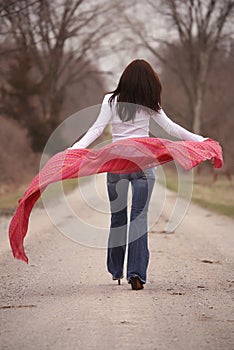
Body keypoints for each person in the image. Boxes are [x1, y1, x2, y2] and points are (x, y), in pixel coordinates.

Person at [70, 59, 206, 290]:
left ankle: (116, 270)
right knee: (139, 218)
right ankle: (136, 274)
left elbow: (97, 129)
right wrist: (199, 140)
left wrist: (75, 149)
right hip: (143, 165)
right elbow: (172, 128)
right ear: (148, 82)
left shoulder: (110, 100)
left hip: (116, 164)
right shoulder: (149, 103)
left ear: (124, 78)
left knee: (118, 218)